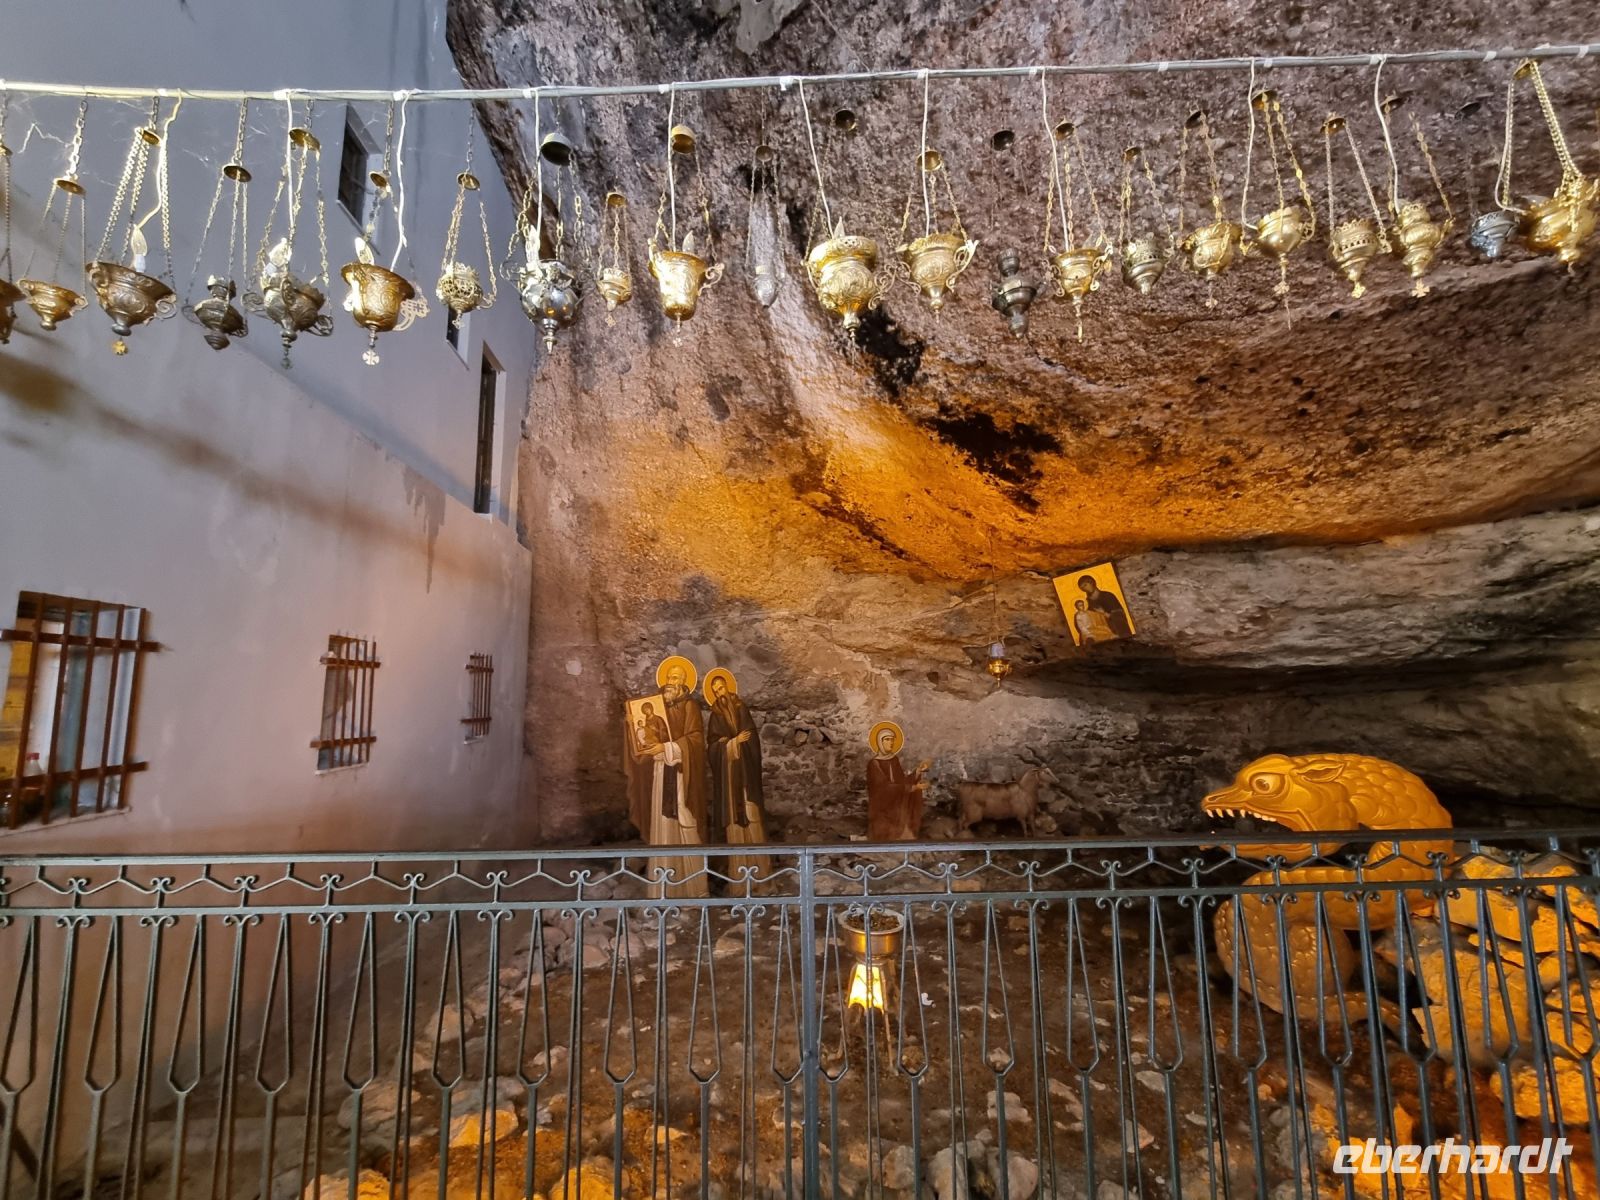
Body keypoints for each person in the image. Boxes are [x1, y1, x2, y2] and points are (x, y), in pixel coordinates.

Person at [624, 659, 709, 898]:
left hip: (681, 774)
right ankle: (664, 889)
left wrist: (667, 747)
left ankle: (693, 889)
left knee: (685, 819)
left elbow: (694, 741)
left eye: (676, 679)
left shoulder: (690, 707)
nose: (671, 683)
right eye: (669, 678)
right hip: (661, 773)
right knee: (663, 824)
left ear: (684, 684)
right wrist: (632, 728)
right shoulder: (657, 709)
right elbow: (644, 746)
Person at [704, 670, 770, 880]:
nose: (719, 694)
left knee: (752, 815)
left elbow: (752, 739)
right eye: (715, 692)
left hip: (745, 776)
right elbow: (712, 745)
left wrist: (742, 742)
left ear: (729, 687)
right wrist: (732, 743)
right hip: (729, 778)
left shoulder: (742, 709)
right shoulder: (716, 715)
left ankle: (761, 872)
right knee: (733, 817)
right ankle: (738, 878)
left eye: (721, 688)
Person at [866, 724, 930, 841]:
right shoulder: (874, 764)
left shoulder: (894, 760)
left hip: (896, 804)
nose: (891, 743)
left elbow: (901, 781)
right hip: (882, 808)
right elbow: (883, 788)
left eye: (892, 740)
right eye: (887, 740)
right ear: (880, 742)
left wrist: (917, 771)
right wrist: (912, 787)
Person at [1078, 575, 1132, 639]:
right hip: (1102, 631)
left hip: (1116, 630)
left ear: (1091, 582)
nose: (1084, 589)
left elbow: (1120, 615)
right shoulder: (1090, 602)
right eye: (1082, 588)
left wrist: (1104, 613)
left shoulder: (1108, 596)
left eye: (1085, 585)